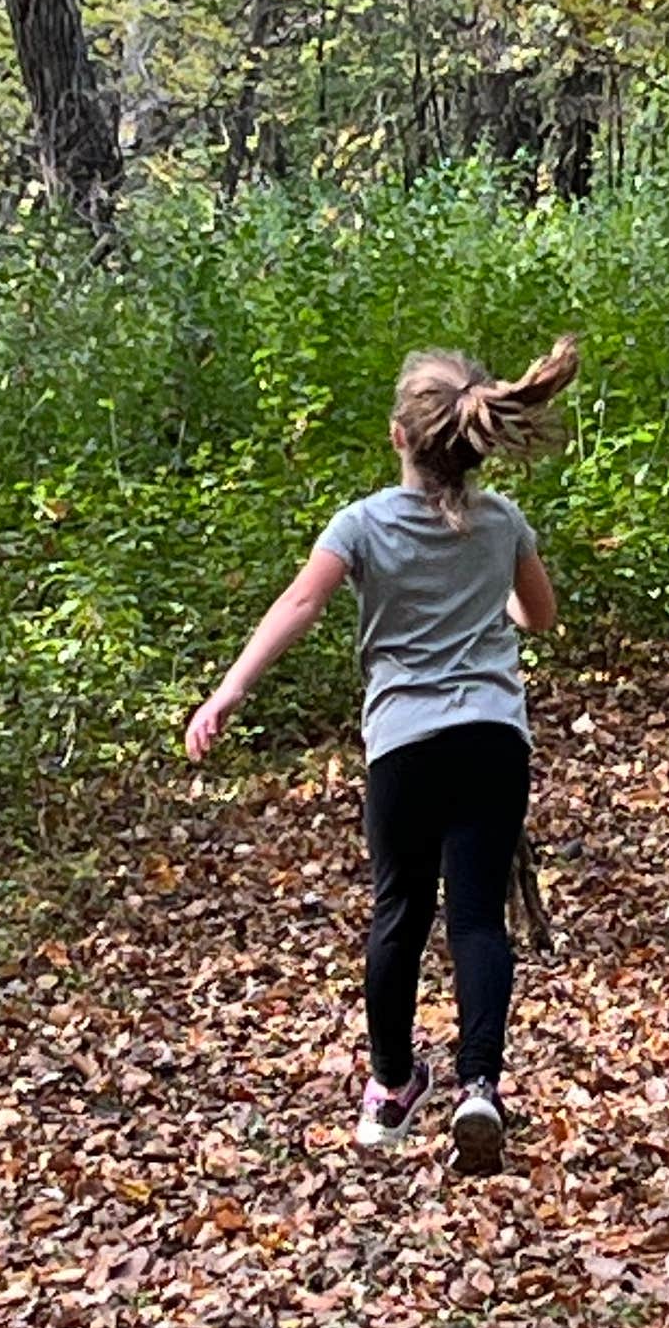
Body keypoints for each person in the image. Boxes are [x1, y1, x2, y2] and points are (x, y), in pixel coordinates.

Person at [185, 338, 577, 1172]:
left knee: (400, 910)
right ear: (473, 440)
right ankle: (480, 1088)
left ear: (401, 436)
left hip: (403, 742)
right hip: (493, 739)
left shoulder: (360, 525)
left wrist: (228, 692)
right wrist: (494, 600)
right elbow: (537, 619)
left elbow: (300, 602)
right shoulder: (503, 524)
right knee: (476, 915)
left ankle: (393, 1089)